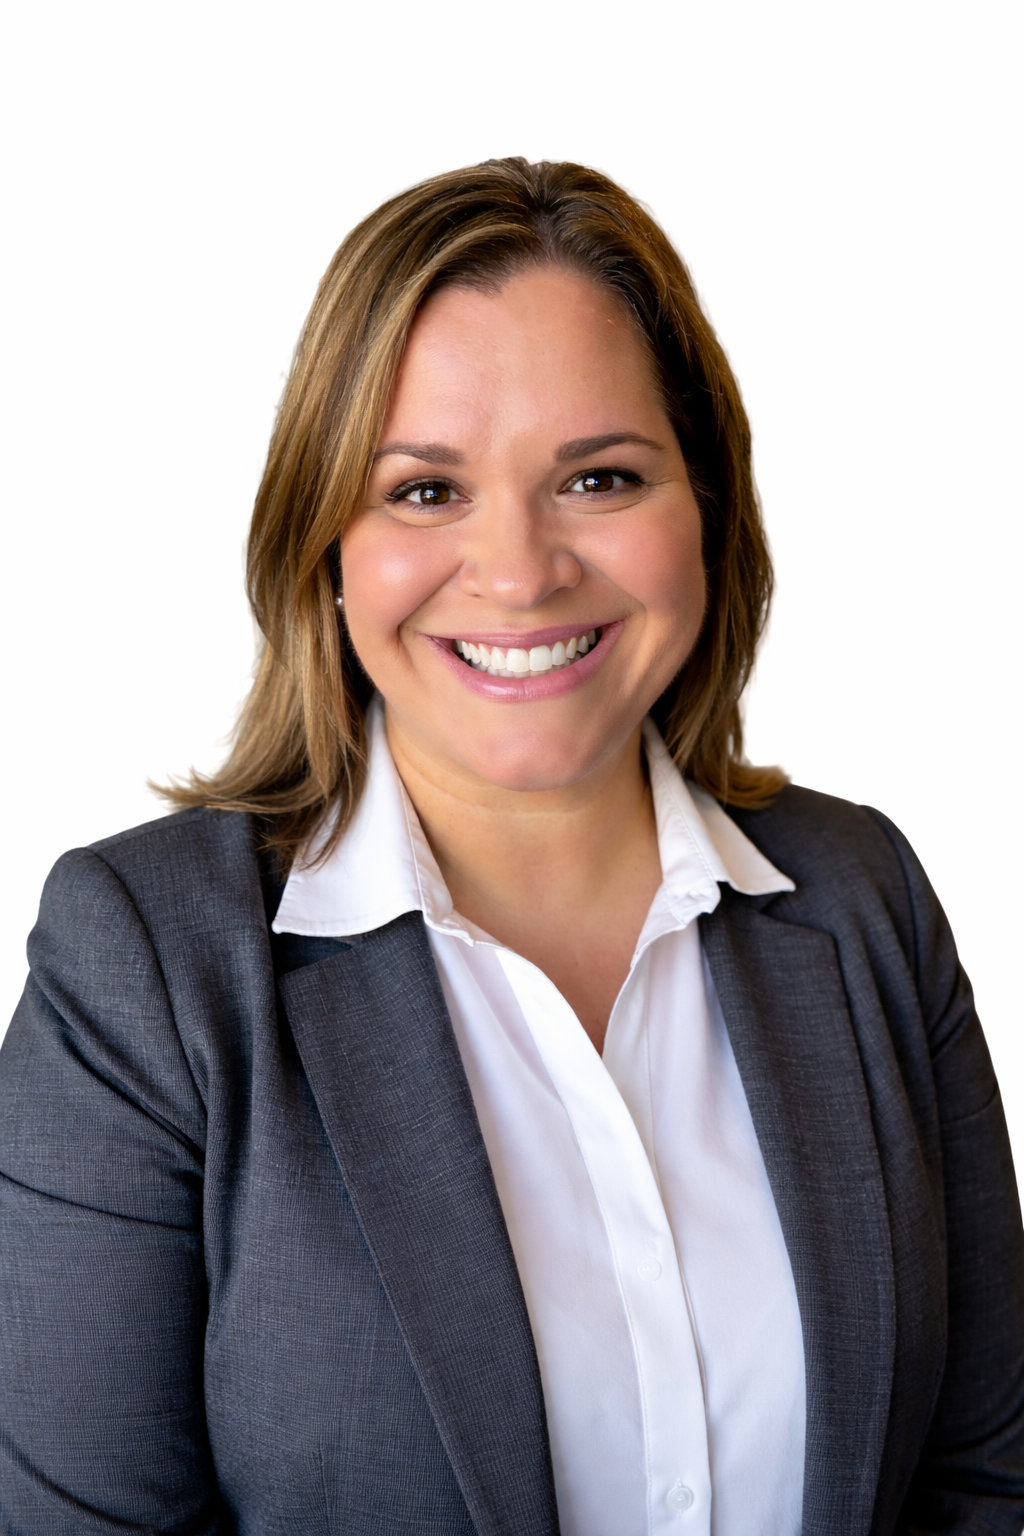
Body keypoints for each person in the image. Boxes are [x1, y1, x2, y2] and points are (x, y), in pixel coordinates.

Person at [1, 157, 1021, 1536]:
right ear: (327, 545)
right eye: (425, 493)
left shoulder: (863, 903)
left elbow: (986, 1480)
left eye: (599, 477)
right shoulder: (148, 968)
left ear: (707, 512)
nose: (522, 569)